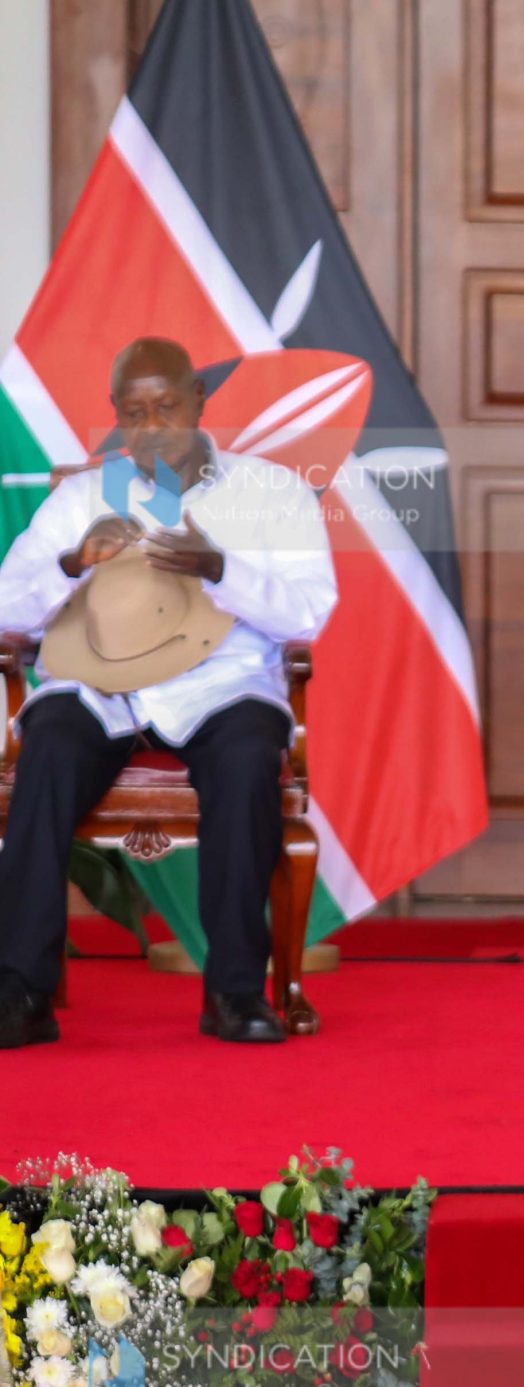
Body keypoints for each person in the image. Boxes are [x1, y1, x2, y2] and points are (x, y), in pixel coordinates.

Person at [0, 336, 334, 1047]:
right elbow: (8, 611)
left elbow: (310, 613)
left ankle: (236, 993)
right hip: (100, 688)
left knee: (249, 760)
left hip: (222, 687)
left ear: (200, 401)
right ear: (116, 416)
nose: (152, 426)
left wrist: (221, 569)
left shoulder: (271, 490)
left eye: (167, 406)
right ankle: (21, 990)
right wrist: (70, 563)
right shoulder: (84, 496)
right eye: (134, 412)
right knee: (48, 746)